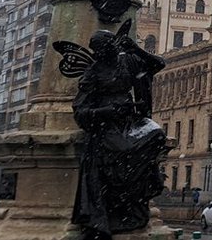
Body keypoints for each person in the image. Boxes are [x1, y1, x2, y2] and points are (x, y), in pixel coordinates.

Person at [71, 28, 169, 240]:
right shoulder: (93, 73)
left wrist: (137, 50)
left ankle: (135, 189)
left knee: (157, 135)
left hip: (130, 121)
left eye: (113, 45)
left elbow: (158, 64)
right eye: (108, 47)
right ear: (99, 51)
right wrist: (108, 111)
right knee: (124, 150)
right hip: (107, 125)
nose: (113, 49)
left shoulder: (128, 62)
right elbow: (80, 112)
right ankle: (121, 197)